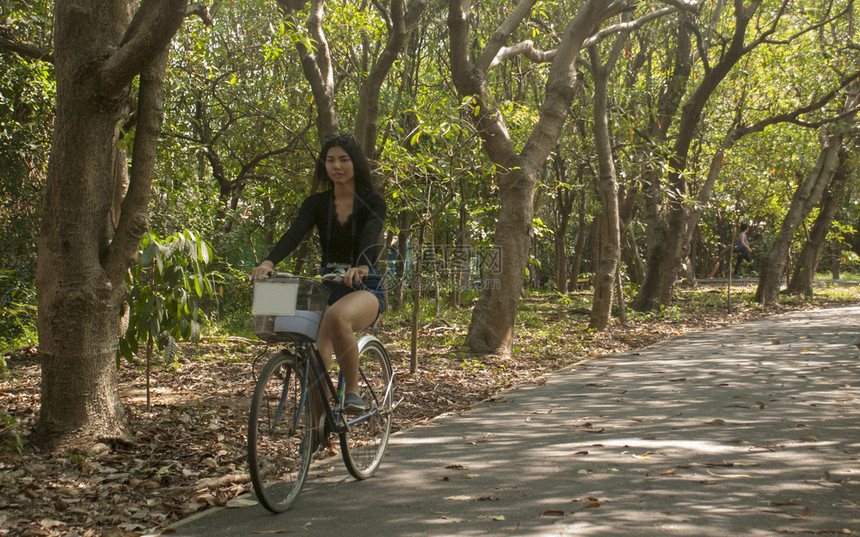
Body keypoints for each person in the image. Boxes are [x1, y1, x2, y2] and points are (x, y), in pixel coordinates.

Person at [250, 133, 386, 415]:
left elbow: (370, 237)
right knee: (312, 351)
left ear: (355, 164)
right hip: (327, 284)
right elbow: (294, 234)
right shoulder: (315, 203)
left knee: (338, 317)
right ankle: (318, 428)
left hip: (364, 285)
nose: (337, 166)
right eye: (330, 160)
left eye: (344, 160)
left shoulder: (373, 202)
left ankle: (352, 393)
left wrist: (361, 265)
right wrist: (268, 262)